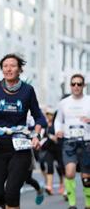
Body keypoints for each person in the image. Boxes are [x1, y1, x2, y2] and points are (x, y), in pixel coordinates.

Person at [0, 54, 46, 209]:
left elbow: (39, 118)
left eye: (13, 66)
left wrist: (36, 135)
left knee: (11, 192)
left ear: (20, 69)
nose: (9, 69)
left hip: (20, 145)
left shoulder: (28, 91)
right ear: (2, 69)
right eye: (5, 66)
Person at [54, 73, 90, 209]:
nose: (76, 87)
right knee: (69, 173)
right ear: (70, 86)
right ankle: (72, 204)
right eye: (73, 84)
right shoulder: (64, 103)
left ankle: (88, 204)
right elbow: (58, 120)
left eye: (79, 84)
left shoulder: (89, 101)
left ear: (83, 86)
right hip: (69, 142)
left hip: (87, 142)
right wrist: (58, 130)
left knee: (86, 178)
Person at [41, 109, 65, 196]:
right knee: (49, 166)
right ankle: (49, 186)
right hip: (49, 149)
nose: (48, 116)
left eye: (50, 114)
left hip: (59, 149)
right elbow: (42, 136)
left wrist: (57, 137)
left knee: (61, 168)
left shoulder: (59, 124)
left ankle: (62, 185)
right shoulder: (46, 125)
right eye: (47, 114)